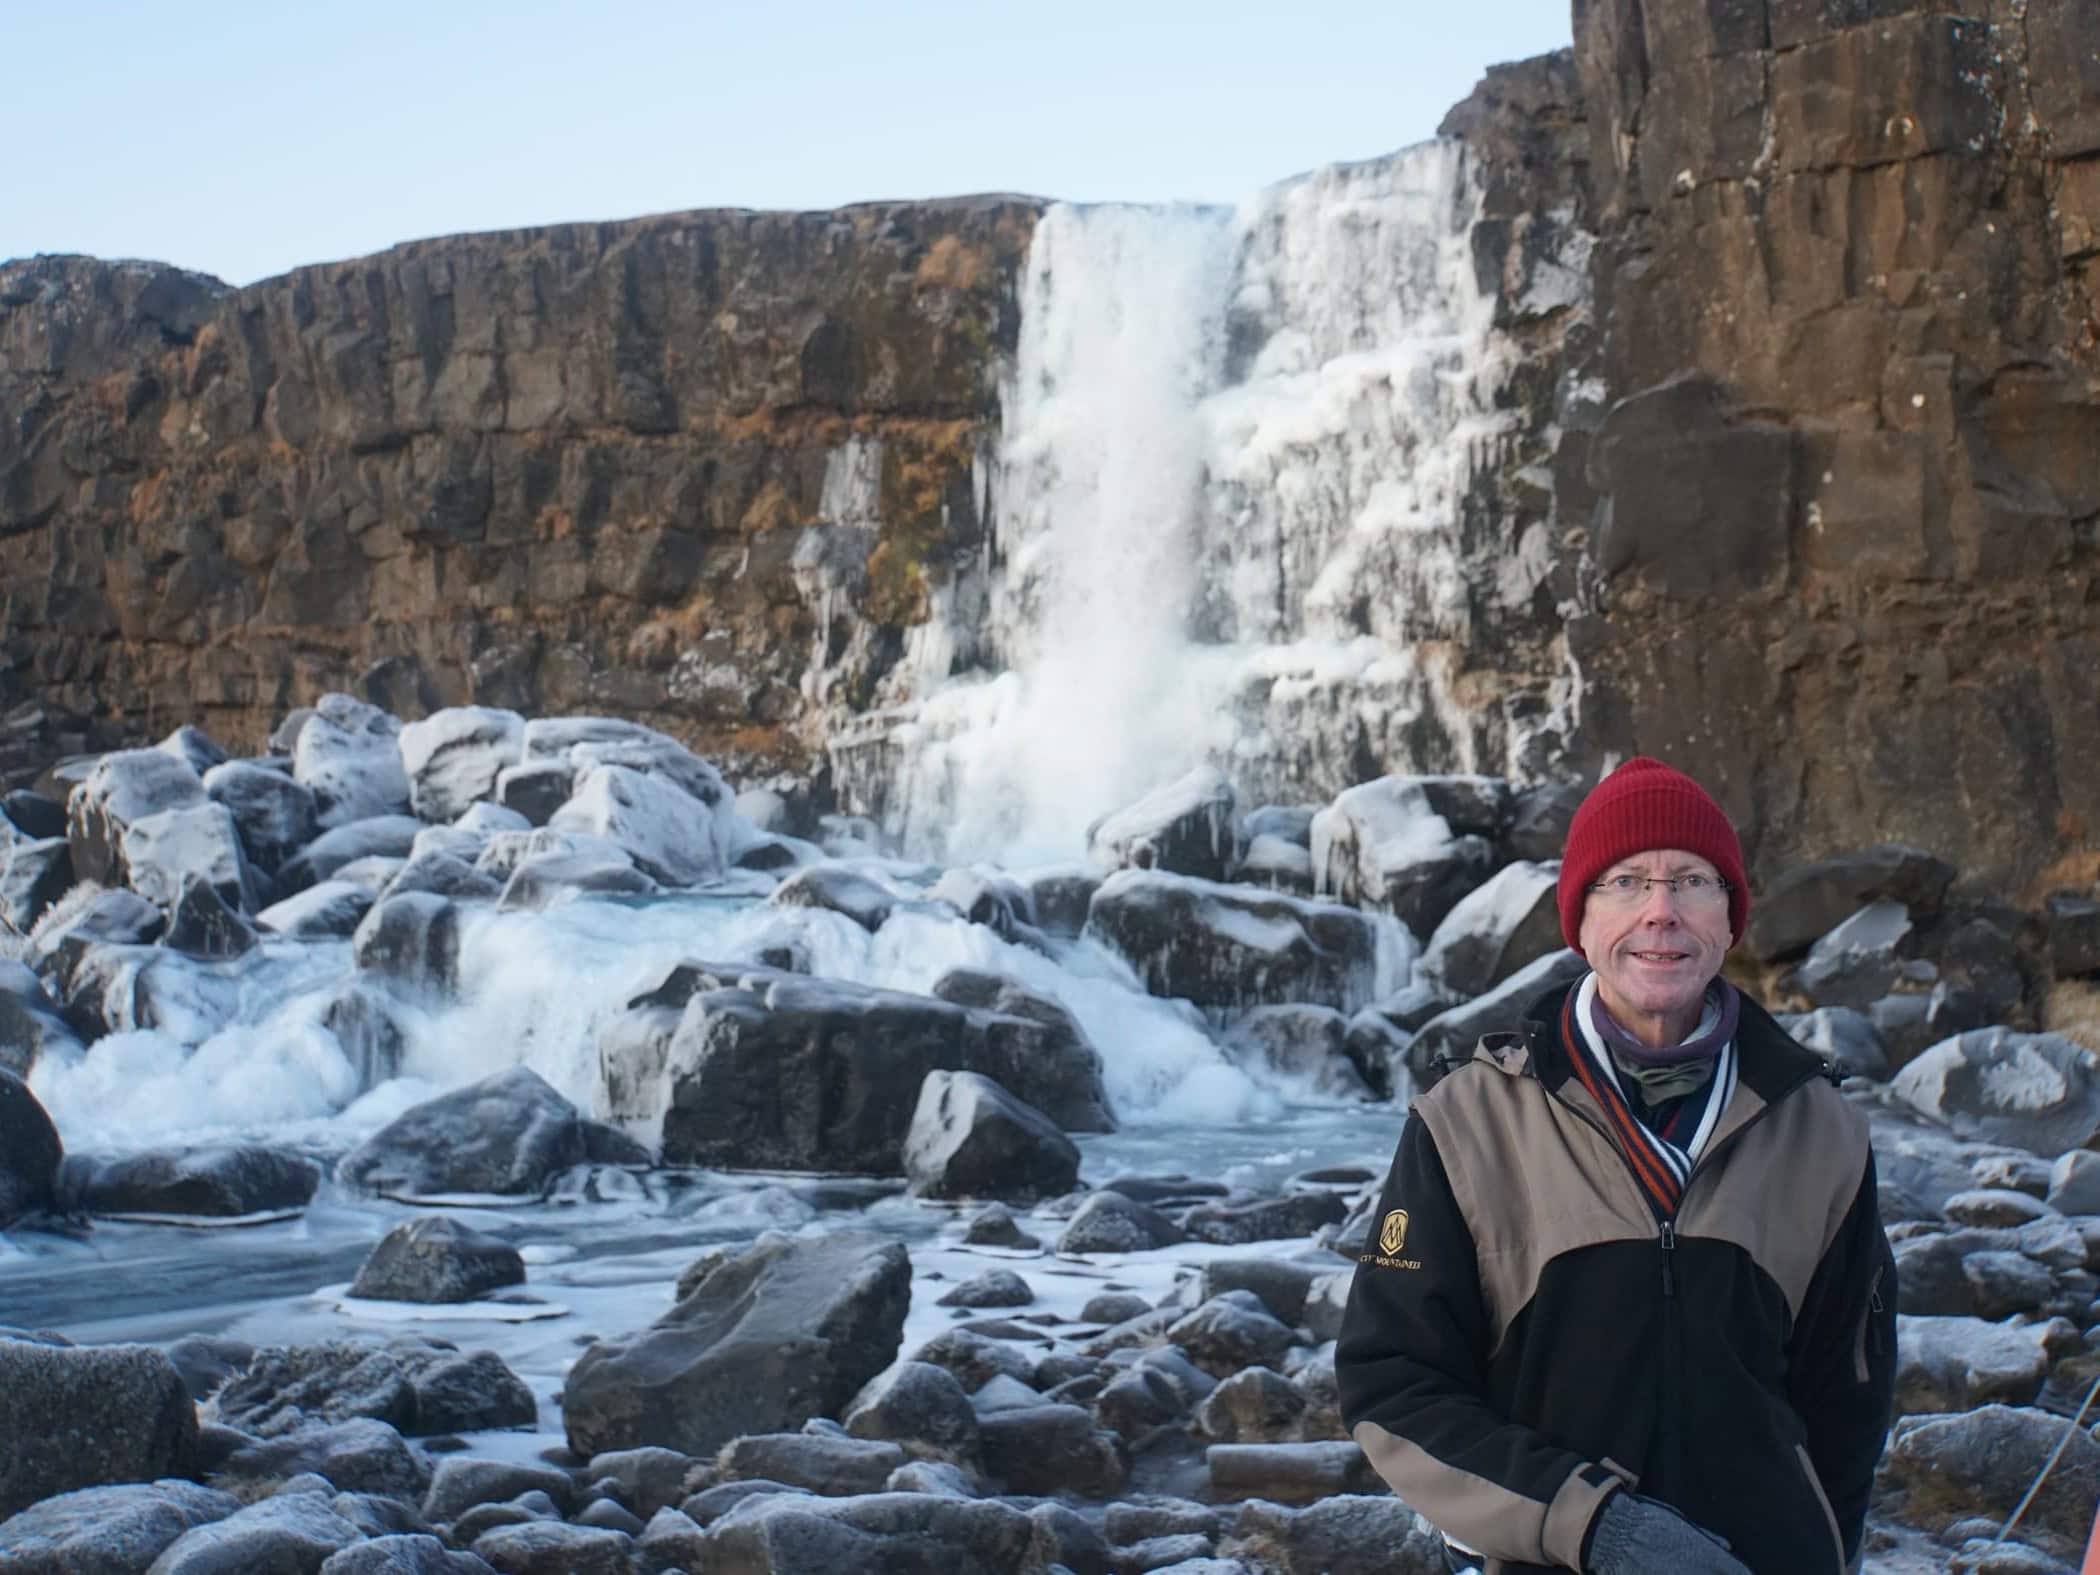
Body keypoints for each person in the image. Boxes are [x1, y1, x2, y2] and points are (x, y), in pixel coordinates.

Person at [1336, 757, 1896, 1575]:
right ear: (1580, 918)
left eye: (1692, 881)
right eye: (1626, 881)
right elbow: (1390, 1386)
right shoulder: (1464, 1124)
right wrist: (1596, 1526)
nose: (1661, 911)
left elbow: (1849, 1406)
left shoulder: (1824, 1132)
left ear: (1731, 916)